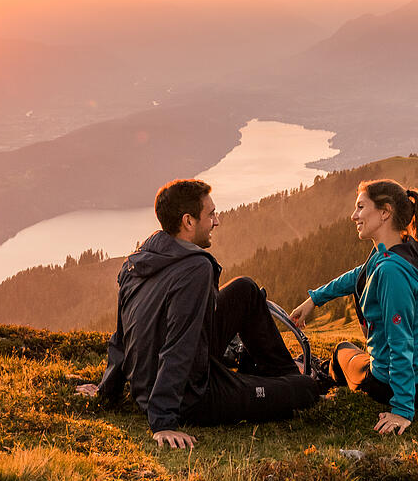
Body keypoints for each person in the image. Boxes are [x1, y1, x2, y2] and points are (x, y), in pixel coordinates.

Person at [76, 179, 329, 448]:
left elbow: (120, 337)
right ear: (188, 221)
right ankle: (295, 384)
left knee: (245, 289)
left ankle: (284, 374)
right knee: (305, 390)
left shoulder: (136, 262)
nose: (216, 221)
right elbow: (179, 343)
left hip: (158, 381)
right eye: (210, 214)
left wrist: (107, 392)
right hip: (191, 396)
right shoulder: (195, 268)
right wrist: (163, 421)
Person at [290, 180, 418, 436]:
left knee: (342, 350)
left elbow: (401, 342)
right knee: (353, 351)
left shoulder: (391, 270)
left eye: (361, 207)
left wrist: (402, 410)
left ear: (385, 212)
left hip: (415, 384)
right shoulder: (404, 250)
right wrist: (315, 299)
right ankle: (327, 371)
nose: (354, 216)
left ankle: (323, 376)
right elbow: (358, 275)